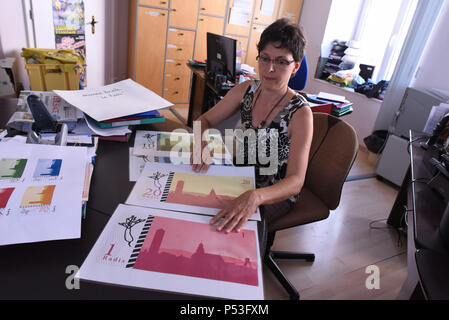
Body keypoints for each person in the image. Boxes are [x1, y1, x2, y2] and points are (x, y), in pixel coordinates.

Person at [192, 19, 313, 234]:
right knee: (195, 213)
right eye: (264, 58)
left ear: (295, 66)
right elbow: (203, 121)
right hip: (238, 178)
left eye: (281, 62)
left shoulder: (300, 113)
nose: (269, 68)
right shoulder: (246, 90)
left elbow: (296, 182)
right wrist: (201, 144)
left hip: (272, 193)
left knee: (224, 232)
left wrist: (256, 196)